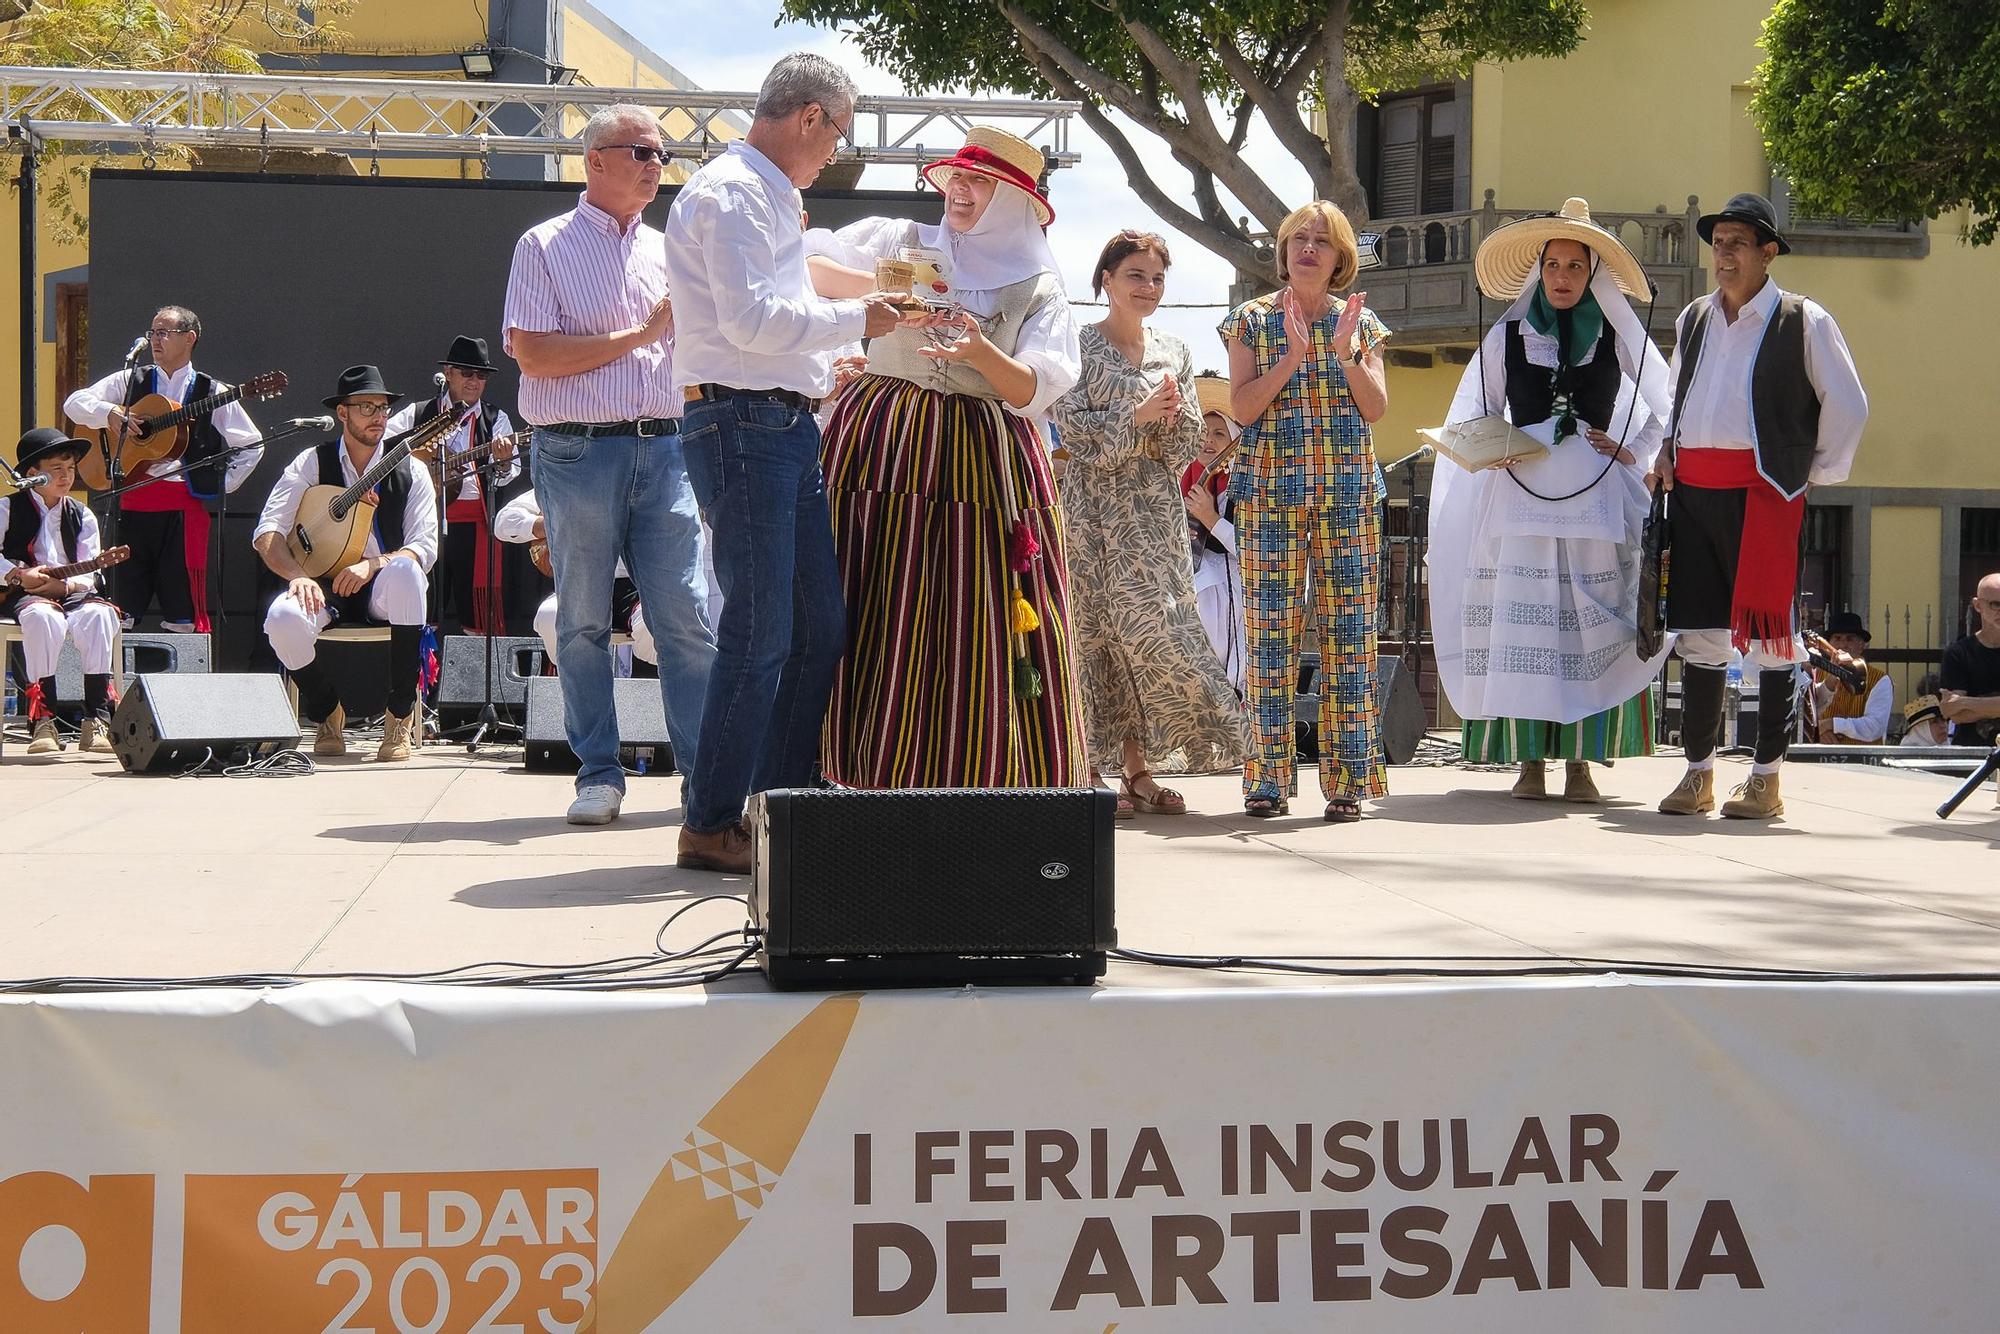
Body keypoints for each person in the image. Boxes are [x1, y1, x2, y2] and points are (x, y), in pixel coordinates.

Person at [664, 55, 901, 874]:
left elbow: (770, 322)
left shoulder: (765, 195)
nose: (834, 153)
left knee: (817, 627)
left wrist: (842, 332)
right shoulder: (732, 194)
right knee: (762, 629)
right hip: (742, 420)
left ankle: (776, 805)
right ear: (809, 118)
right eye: (836, 135)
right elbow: (757, 323)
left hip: (776, 422)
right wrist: (860, 317)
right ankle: (711, 819)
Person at [802, 125, 1087, 794]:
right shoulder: (899, 239)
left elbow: (1034, 387)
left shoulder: (1038, 287)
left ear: (1014, 201)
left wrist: (977, 347)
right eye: (957, 176)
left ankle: (977, 775)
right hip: (882, 440)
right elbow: (808, 266)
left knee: (971, 611)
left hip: (981, 455)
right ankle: (849, 767)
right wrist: (891, 294)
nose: (960, 189)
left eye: (980, 181)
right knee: (869, 594)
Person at [504, 103, 719, 828]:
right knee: (583, 622)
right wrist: (641, 335)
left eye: (663, 154)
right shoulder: (543, 245)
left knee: (686, 620)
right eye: (642, 152)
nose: (658, 166)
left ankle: (704, 781)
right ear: (594, 160)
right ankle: (599, 773)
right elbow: (533, 353)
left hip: (666, 448)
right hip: (577, 449)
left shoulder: (670, 250)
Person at [1429, 199, 1674, 804]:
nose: (1562, 276)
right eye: (1553, 264)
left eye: (1575, 265)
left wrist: (1630, 448)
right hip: (1519, 492)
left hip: (1594, 493)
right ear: (1538, 271)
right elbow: (1479, 411)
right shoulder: (1506, 335)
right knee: (1523, 622)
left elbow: (1667, 404)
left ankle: (1582, 765)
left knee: (1590, 627)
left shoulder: (1618, 335)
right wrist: (1496, 447)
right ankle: (1530, 762)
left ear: (1593, 274)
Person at [1652, 192, 1868, 819]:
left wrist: (1807, 474)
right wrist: (1667, 449)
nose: (1724, 253)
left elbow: (1848, 405)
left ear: (1769, 253)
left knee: (1772, 637)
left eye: (1738, 243)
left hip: (1764, 495)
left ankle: (1767, 778)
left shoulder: (1804, 320)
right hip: (1694, 493)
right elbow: (1675, 394)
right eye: (1718, 242)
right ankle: (1698, 775)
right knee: (1699, 632)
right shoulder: (1694, 317)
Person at [1050, 230, 1247, 815]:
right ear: (1106, 279)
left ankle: (1155, 762)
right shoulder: (1078, 346)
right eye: (1136, 275)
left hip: (1153, 516)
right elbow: (1071, 435)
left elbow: (1188, 443)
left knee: (1157, 632)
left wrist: (1168, 419)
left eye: (1158, 278)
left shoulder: (1176, 351)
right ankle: (1094, 771)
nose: (1149, 287)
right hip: (1090, 513)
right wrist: (1134, 417)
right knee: (1093, 637)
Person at [1220, 200, 1391, 822]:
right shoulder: (1251, 321)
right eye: (1298, 238)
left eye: (1321, 240)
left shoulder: (1362, 324)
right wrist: (1292, 356)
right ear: (1284, 250)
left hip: (1347, 495)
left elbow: (1375, 409)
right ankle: (1265, 778)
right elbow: (1241, 408)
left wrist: (1343, 351)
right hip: (1270, 494)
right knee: (1271, 637)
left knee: (1350, 635)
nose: (1308, 249)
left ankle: (1346, 781)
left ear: (1341, 256)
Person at [251, 366, 436, 762]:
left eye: (383, 408)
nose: (378, 416)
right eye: (366, 406)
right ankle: (325, 711)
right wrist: (299, 576)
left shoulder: (410, 468)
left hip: (381, 587)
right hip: (323, 583)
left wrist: (373, 565)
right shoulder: (311, 463)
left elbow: (424, 545)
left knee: (408, 572)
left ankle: (399, 716)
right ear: (342, 413)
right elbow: (268, 532)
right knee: (281, 619)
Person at [63, 304, 264, 633]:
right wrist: (110, 414)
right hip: (130, 503)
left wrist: (219, 483)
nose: (155, 340)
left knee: (182, 609)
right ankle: (113, 679)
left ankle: (181, 682)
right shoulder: (130, 380)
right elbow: (73, 404)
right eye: (152, 332)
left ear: (189, 338)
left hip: (182, 511)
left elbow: (252, 443)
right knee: (118, 607)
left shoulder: (212, 391)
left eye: (164, 333)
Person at [384, 335, 519, 635]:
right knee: (424, 605)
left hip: (475, 526)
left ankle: (479, 681)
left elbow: (510, 472)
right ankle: (420, 680)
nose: (474, 381)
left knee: (479, 614)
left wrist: (504, 461)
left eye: (481, 375)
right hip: (424, 521)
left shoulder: (496, 420)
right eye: (467, 373)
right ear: (448, 372)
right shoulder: (419, 414)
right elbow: (384, 450)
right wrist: (419, 463)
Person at [1, 429, 122, 754]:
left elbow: (91, 569)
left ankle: (97, 719)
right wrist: (16, 574)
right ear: (31, 474)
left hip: (70, 592)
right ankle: (43, 720)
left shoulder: (81, 514)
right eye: (56, 469)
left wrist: (65, 585)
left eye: (70, 469)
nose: (65, 476)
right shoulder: (7, 508)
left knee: (100, 614)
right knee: (43, 617)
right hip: (22, 594)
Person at [492, 486, 656, 672]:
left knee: (656, 626)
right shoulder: (573, 479)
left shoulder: (646, 477)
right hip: (583, 583)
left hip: (640, 586)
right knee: (549, 615)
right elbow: (503, 522)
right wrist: (552, 525)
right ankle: (578, 685)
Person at [1186, 374, 1247, 692]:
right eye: (1204, 433)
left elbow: (1254, 551)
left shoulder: (1246, 489)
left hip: (1234, 596)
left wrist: (1210, 518)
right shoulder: (1185, 483)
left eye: (1219, 434)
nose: (1208, 440)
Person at [1810, 609, 1892, 744]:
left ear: (1861, 645)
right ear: (1828, 644)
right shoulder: (1816, 674)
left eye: (1850, 639)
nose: (1843, 645)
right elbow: (1803, 716)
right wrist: (1819, 731)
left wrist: (1832, 725)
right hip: (1820, 759)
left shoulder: (1880, 680)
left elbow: (1874, 727)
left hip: (1862, 760)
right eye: (1837, 638)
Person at [1939, 573, 2000, 747]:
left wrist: (1965, 703)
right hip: (1970, 754)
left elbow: (1958, 706)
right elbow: (1954, 714)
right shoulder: (1957, 653)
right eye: (1996, 604)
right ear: (1977, 605)